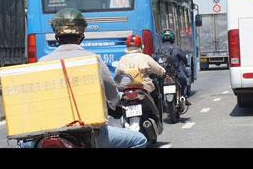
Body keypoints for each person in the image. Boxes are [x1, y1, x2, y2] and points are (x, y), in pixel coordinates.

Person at [19, 8, 147, 149]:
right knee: (139, 140)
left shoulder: (42, 62)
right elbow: (112, 96)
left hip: (48, 134)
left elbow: (33, 100)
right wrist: (118, 99)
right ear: (81, 35)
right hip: (90, 134)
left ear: (56, 36)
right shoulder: (94, 60)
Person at [116, 34, 166, 117]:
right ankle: (156, 117)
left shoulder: (122, 59)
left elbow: (117, 75)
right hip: (144, 88)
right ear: (141, 46)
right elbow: (159, 70)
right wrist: (163, 72)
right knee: (156, 95)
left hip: (126, 90)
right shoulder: (145, 57)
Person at [157, 29, 192, 105]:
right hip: (175, 74)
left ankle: (162, 101)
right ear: (173, 38)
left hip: (162, 74)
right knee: (184, 81)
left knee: (157, 84)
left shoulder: (158, 50)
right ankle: (183, 97)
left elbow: (154, 60)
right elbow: (184, 58)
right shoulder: (176, 48)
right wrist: (186, 65)